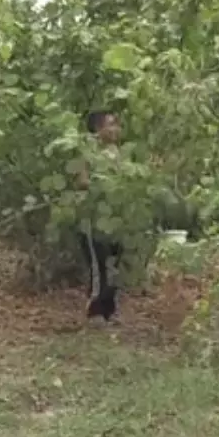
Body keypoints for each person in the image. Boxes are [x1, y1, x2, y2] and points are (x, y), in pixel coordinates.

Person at [74, 110, 124, 321]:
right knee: (98, 266)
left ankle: (108, 312)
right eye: (110, 125)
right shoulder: (85, 151)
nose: (115, 130)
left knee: (115, 265)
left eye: (117, 125)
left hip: (113, 217)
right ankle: (93, 311)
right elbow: (81, 181)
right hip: (92, 219)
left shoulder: (115, 152)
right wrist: (104, 184)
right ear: (97, 128)